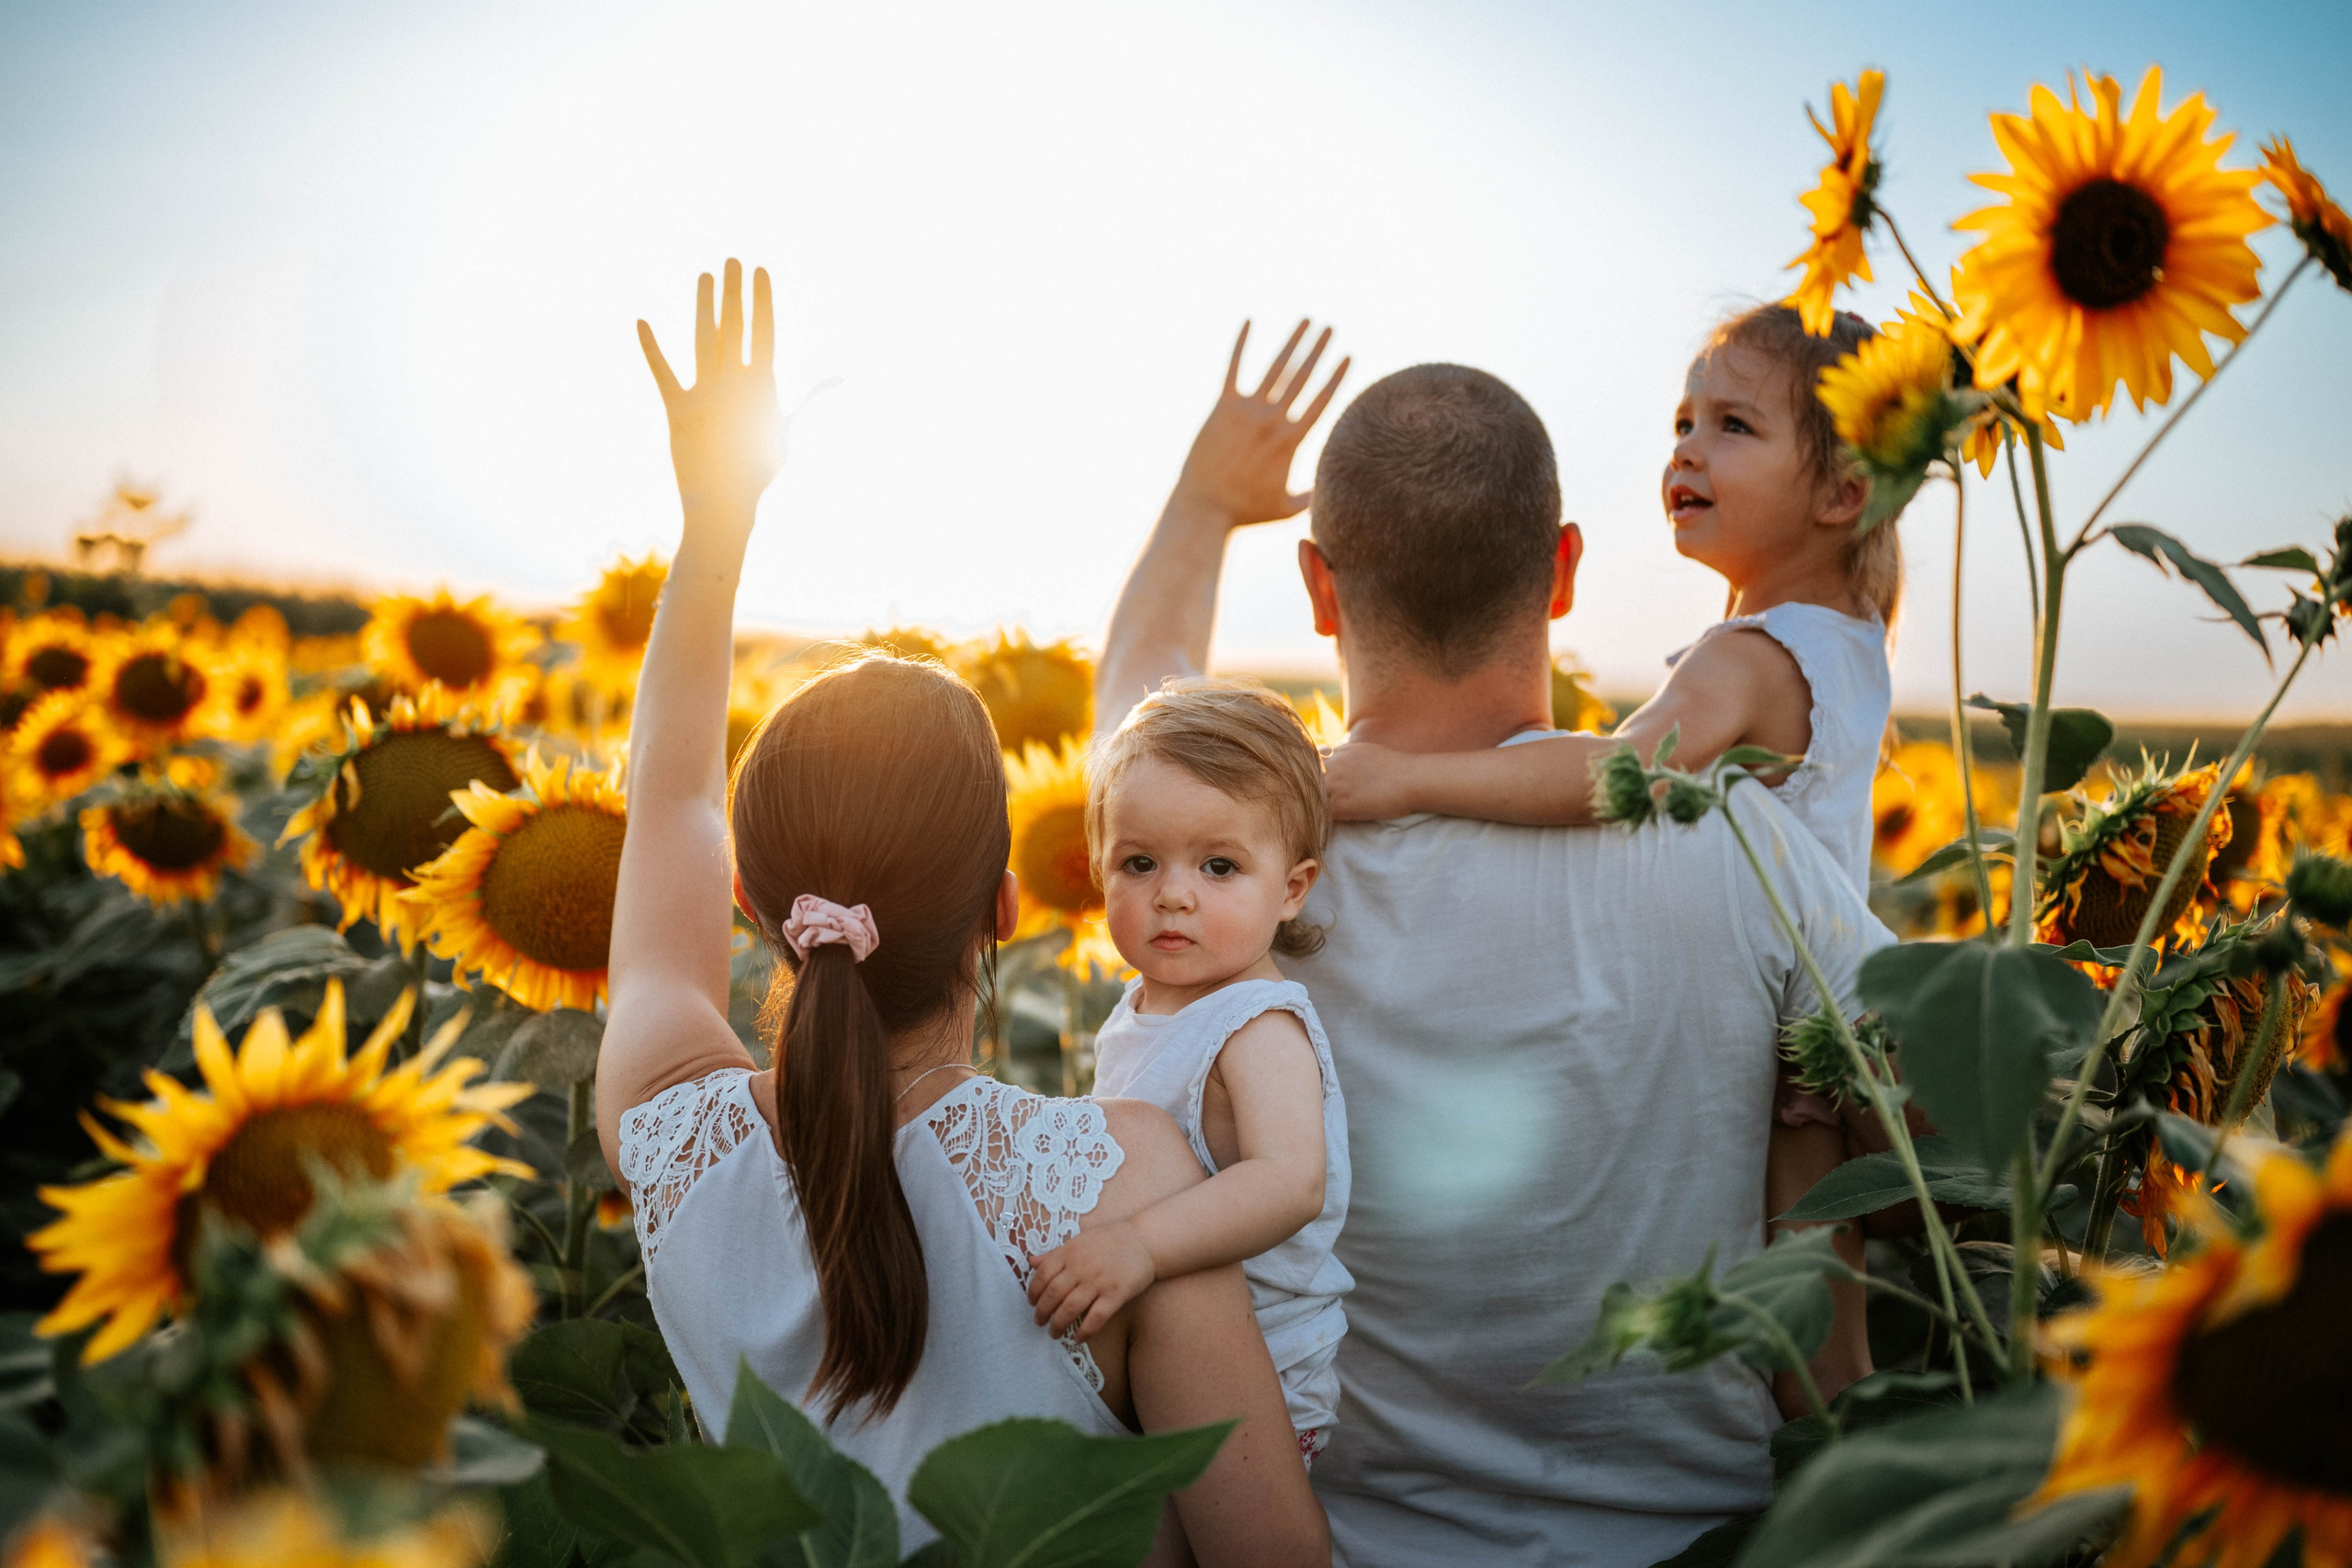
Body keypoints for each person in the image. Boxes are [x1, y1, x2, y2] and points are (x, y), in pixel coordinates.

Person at [1096, 321, 1894, 1566]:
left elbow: (1136, 706)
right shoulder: (1744, 843)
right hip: (1707, 1540)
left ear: (1319, 588)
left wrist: (1204, 503)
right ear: (1563, 570)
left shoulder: (1227, 864)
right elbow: (1948, 1130)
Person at [595, 262, 1328, 1565]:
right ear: (1007, 905)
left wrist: (715, 522)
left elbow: (667, 800)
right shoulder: (1123, 1183)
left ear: (755, 906)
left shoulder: (667, 1136)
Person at [1321, 304, 1894, 897]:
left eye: (1734, 425)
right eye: (1684, 424)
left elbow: (1614, 777)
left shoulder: (1749, 662)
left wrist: (1407, 779)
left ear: (1841, 492)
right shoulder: (1849, 639)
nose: (1685, 452)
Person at [1026, 680, 1354, 1470]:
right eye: (1140, 862)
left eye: (1219, 866)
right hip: (1164, 1349)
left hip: (1258, 1377)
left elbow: (1291, 1180)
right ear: (1100, 869)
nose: (1173, 894)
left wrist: (1138, 1244)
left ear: (1291, 889)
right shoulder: (1145, 1006)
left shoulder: (1257, 1026)